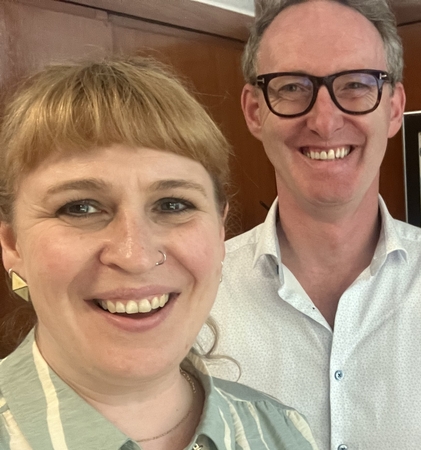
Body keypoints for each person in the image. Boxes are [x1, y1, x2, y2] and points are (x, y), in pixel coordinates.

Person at [208, 1, 421, 449]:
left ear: (393, 108)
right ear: (254, 111)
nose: (325, 121)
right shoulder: (200, 291)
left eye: (356, 85)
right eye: (291, 87)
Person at [0, 58, 317, 449]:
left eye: (172, 205)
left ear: (220, 231)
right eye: (80, 207)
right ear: (12, 244)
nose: (135, 255)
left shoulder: (281, 433)